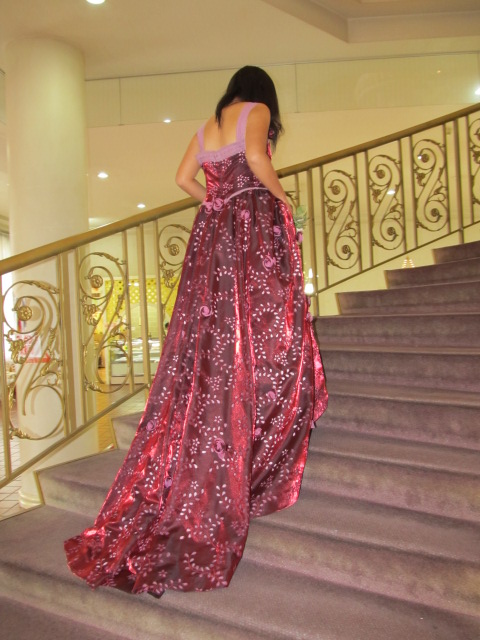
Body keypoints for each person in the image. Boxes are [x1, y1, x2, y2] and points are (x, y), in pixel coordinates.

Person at [64, 66, 328, 597]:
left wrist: (213, 202)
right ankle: (263, 407)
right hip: (250, 224)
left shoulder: (207, 126)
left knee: (215, 327)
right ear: (262, 93)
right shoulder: (256, 112)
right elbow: (256, 159)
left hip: (213, 233)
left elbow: (183, 178)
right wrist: (284, 200)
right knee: (261, 318)